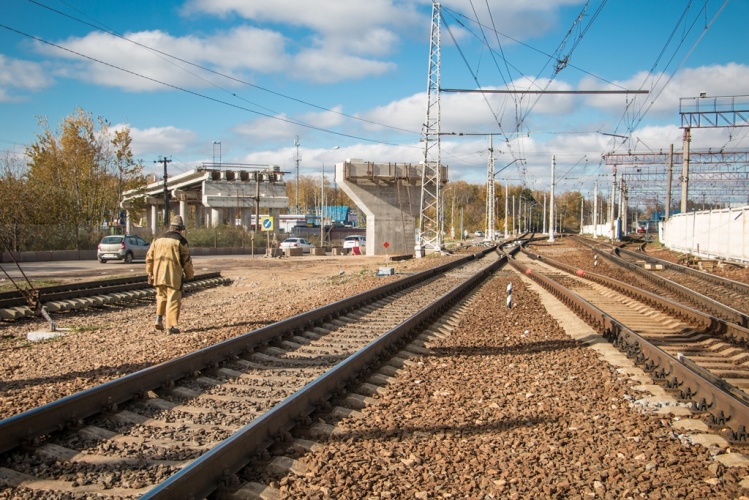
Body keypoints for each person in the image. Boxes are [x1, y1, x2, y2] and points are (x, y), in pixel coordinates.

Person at [146, 215, 194, 334]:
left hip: (158, 274)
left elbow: (149, 257)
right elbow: (186, 260)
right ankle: (171, 326)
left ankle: (158, 319)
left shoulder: (157, 239)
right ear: (180, 229)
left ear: (171, 227)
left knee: (161, 297)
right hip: (173, 275)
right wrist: (190, 275)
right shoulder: (181, 241)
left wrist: (150, 273)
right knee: (173, 299)